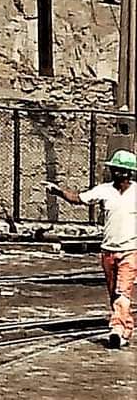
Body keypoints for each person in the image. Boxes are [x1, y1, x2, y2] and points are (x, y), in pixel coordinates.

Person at [47, 149, 137, 349]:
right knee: (115, 294)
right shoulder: (104, 190)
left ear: (129, 173)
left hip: (130, 251)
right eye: (114, 169)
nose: (116, 173)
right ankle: (125, 331)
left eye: (120, 170)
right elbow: (79, 198)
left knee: (123, 293)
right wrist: (58, 191)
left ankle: (116, 330)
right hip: (108, 251)